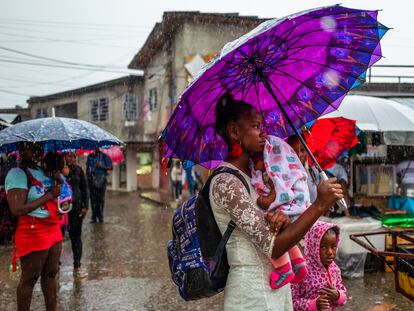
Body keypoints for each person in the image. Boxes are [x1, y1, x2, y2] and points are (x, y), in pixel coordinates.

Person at [210, 93, 343, 311]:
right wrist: (319, 205)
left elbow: (277, 232)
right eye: (255, 126)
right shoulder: (226, 182)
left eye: (261, 125)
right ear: (235, 132)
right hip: (251, 296)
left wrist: (284, 221)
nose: (264, 132)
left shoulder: (256, 175)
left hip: (278, 289)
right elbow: (272, 247)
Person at [5, 142, 62, 311]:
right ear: (22, 150)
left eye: (39, 147)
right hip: (33, 230)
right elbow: (16, 209)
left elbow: (61, 195)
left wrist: (58, 179)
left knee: (51, 275)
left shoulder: (43, 170)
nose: (37, 151)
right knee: (30, 279)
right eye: (31, 147)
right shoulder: (17, 174)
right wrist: (49, 194)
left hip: (53, 228)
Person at [251, 135, 309, 289]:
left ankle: (283, 268)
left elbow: (268, 200)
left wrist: (261, 200)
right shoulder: (289, 169)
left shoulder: (273, 177)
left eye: (257, 162)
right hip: (298, 210)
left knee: (269, 229)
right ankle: (299, 263)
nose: (255, 166)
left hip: (289, 211)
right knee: (285, 236)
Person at [291, 221, 347, 311]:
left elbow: (343, 295)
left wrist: (337, 295)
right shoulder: (302, 270)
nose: (330, 252)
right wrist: (313, 305)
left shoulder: (334, 269)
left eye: (333, 247)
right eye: (323, 247)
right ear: (313, 246)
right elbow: (291, 302)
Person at [63, 152, 89, 278]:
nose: (72, 158)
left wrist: (85, 206)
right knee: (58, 239)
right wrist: (63, 175)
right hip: (61, 209)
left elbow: (84, 188)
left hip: (76, 208)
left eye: (74, 156)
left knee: (76, 237)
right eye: (69, 155)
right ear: (63, 156)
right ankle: (55, 267)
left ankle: (77, 266)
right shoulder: (57, 170)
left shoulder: (78, 170)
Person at [288, 135, 319, 204]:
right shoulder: (284, 174)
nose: (299, 155)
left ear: (307, 151)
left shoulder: (314, 172)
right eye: (294, 151)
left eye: (302, 150)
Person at [86, 148, 112, 223]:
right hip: (92, 180)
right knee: (93, 199)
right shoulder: (90, 156)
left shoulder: (104, 157)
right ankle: (94, 217)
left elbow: (110, 167)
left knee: (101, 199)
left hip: (102, 180)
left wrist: (101, 166)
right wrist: (88, 179)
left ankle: (100, 216)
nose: (96, 148)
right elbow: (88, 168)